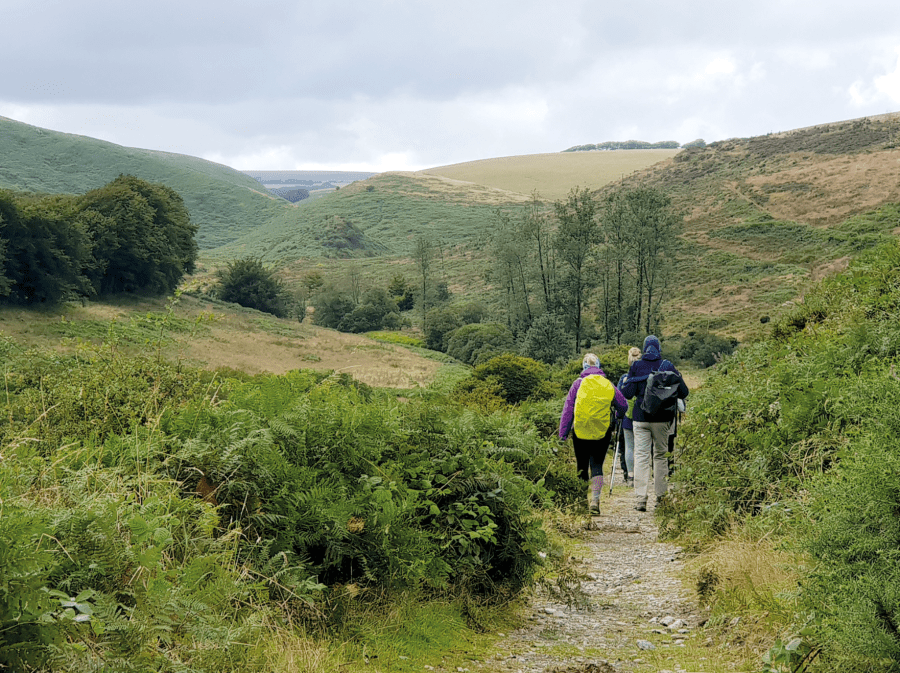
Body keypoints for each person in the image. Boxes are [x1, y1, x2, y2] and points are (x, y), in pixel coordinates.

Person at [621, 336, 688, 512]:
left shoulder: (636, 366)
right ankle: (661, 498)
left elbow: (627, 394)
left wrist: (632, 381)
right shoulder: (667, 365)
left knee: (641, 456)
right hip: (663, 420)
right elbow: (684, 391)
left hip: (640, 418)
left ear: (644, 348)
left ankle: (641, 499)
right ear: (659, 348)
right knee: (660, 457)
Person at [559, 353, 628, 514]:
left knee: (581, 466)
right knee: (596, 465)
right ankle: (595, 501)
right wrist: (617, 416)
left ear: (583, 367)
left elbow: (568, 411)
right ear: (599, 366)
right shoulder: (607, 384)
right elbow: (623, 405)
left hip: (580, 431)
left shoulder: (577, 384)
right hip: (601, 432)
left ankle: (582, 503)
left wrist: (562, 435)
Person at [616, 346, 642, 487]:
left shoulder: (624, 378)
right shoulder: (644, 376)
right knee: (641, 448)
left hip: (627, 417)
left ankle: (630, 476)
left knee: (629, 447)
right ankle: (640, 475)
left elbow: (619, 397)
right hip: (642, 416)